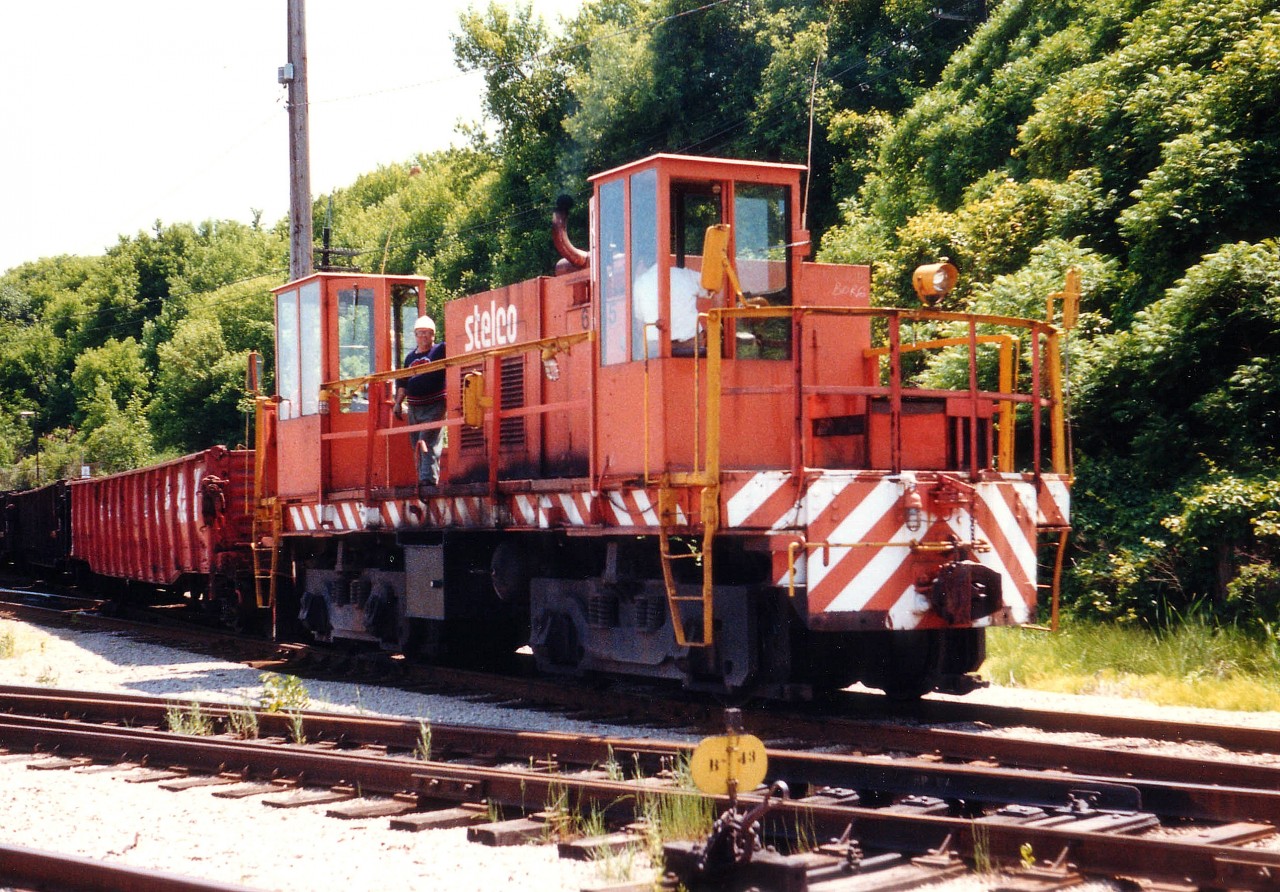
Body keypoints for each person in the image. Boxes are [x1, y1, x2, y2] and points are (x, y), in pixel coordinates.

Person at [392, 315, 446, 491]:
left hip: (435, 403)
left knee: (427, 440)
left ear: (433, 335)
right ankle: (421, 479)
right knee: (416, 442)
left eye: (427, 333)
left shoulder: (439, 351)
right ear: (415, 336)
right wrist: (398, 403)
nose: (423, 336)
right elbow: (403, 383)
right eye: (420, 333)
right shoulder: (409, 359)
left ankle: (428, 480)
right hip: (415, 407)